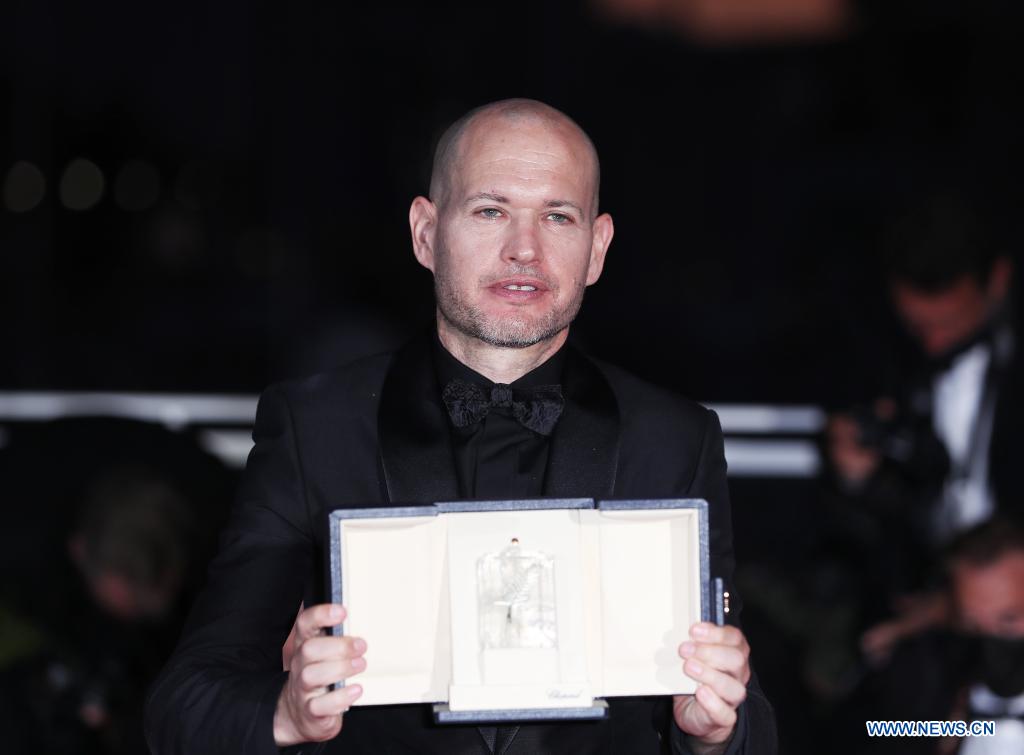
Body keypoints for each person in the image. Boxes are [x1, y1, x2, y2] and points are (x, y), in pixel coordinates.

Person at [145, 98, 776, 754]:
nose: (524, 249)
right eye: (490, 210)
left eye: (557, 215)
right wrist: (285, 713)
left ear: (597, 247)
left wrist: (712, 735)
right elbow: (182, 708)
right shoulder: (316, 429)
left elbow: (751, 722)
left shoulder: (676, 439)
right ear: (426, 233)